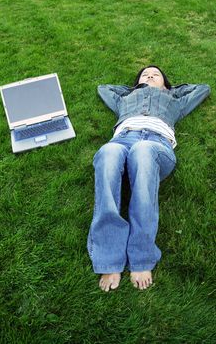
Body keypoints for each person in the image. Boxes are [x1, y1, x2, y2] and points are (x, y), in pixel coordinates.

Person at [87, 65, 210, 292]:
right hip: (123, 140)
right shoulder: (126, 99)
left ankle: (142, 256)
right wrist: (138, 88)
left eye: (155, 74)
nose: (150, 75)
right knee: (107, 152)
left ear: (165, 82)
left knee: (143, 150)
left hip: (156, 144)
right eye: (145, 74)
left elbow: (202, 89)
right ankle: (108, 257)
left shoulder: (175, 100)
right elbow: (104, 88)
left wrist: (168, 89)